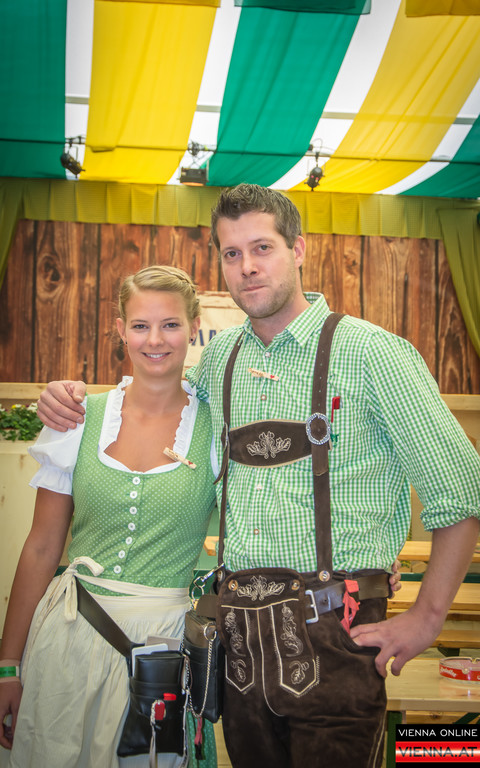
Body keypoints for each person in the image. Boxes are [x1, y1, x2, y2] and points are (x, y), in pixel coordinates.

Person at [33, 184, 480, 768]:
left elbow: (461, 491)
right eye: (231, 253)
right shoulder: (220, 360)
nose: (247, 266)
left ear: (299, 249)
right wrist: (68, 397)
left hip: (338, 632)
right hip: (239, 642)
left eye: (262, 248)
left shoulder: (374, 353)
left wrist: (427, 616)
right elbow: (153, 398)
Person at [0, 266, 219, 768]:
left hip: (160, 651)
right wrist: (8, 666)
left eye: (170, 325)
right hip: (69, 631)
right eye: (140, 325)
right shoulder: (77, 418)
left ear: (193, 328)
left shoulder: (216, 427)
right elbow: (41, 546)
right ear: (120, 330)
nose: (155, 340)